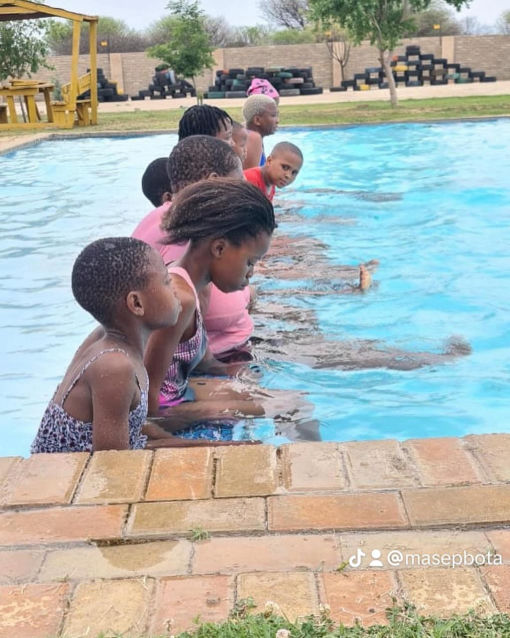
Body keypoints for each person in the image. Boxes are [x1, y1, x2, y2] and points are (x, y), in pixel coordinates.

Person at [143, 178, 313, 435]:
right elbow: (147, 404)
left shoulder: (196, 287)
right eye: (250, 262)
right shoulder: (180, 300)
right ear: (219, 248)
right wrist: (212, 413)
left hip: (180, 393)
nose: (251, 273)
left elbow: (204, 363)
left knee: (283, 396)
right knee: (295, 407)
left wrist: (241, 370)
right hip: (167, 408)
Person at [30, 237, 184, 453]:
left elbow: (133, 430)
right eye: (167, 281)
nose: (175, 288)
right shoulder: (114, 366)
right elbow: (111, 464)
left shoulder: (107, 337)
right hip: (69, 473)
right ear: (136, 303)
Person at [133, 136, 255, 361]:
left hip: (228, 348)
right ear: (215, 182)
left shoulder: (169, 216)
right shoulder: (184, 235)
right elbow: (177, 342)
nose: (245, 184)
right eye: (239, 179)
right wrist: (217, 368)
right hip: (215, 362)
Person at [242, 94, 279, 169]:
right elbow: (249, 175)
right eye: (273, 115)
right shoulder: (254, 138)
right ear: (257, 120)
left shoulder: (245, 133)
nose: (277, 120)